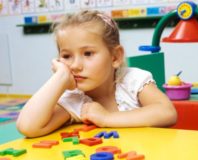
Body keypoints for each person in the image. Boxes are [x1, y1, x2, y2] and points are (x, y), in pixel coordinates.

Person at [16, 10, 177, 137]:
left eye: (88, 53)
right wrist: (60, 77)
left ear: (115, 57)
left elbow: (167, 112)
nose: (75, 65)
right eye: (66, 56)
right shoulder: (75, 99)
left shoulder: (133, 81)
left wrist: (106, 118)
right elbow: (28, 127)